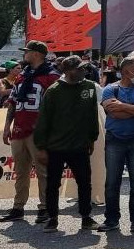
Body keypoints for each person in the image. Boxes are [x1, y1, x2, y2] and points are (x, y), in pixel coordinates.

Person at [33, 56, 100, 232]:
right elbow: (43, 120)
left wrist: (92, 137)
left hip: (80, 146)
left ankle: (86, 217)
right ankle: (52, 218)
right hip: (56, 147)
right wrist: (40, 147)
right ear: (69, 71)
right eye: (80, 69)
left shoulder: (89, 87)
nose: (84, 71)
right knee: (53, 184)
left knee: (85, 182)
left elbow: (92, 114)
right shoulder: (54, 91)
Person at [0, 41, 60, 224]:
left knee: (43, 170)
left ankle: (45, 208)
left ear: (37, 54)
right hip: (19, 129)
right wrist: (7, 126)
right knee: (20, 171)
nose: (24, 54)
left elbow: (56, 107)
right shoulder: (22, 75)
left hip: (39, 130)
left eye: (27, 51)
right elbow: (13, 102)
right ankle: (18, 207)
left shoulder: (52, 76)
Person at [97, 58, 134, 233]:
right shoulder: (110, 89)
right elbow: (114, 113)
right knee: (112, 182)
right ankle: (112, 220)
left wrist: (123, 106)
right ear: (125, 70)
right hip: (115, 139)